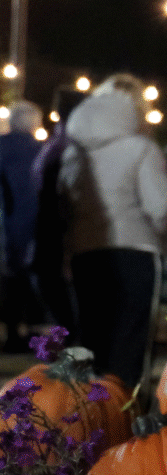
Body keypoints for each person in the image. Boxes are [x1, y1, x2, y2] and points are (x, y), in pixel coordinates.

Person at [58, 73, 167, 389]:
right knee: (131, 343)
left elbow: (64, 206)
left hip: (85, 253)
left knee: (92, 338)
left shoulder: (75, 153)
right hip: (136, 251)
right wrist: (161, 238)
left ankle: (89, 421)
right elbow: (162, 205)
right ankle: (125, 421)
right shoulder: (141, 148)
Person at [29, 88, 87, 344]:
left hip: (54, 235)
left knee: (63, 305)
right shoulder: (65, 146)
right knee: (62, 305)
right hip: (52, 234)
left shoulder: (60, 146)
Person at [0, 100, 45, 352]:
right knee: (26, 279)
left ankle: (12, 331)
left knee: (10, 280)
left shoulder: (2, 146)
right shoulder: (39, 150)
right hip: (32, 224)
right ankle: (28, 332)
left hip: (8, 224)